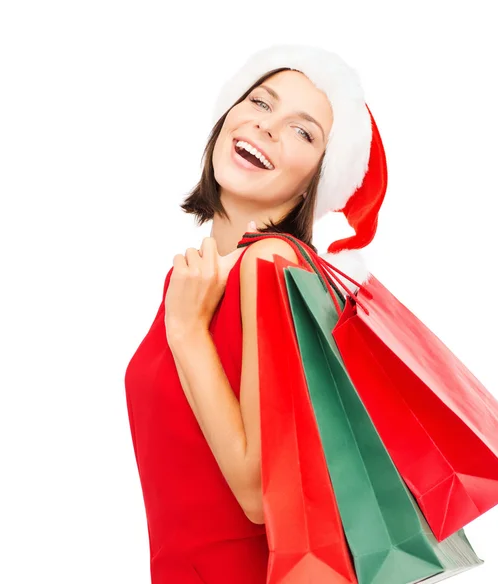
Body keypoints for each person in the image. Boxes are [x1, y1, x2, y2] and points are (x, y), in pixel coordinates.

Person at [124, 43, 388, 583]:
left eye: (303, 131)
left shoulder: (271, 263)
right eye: (261, 103)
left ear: (318, 178)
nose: (267, 127)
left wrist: (190, 333)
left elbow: (260, 493)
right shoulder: (193, 280)